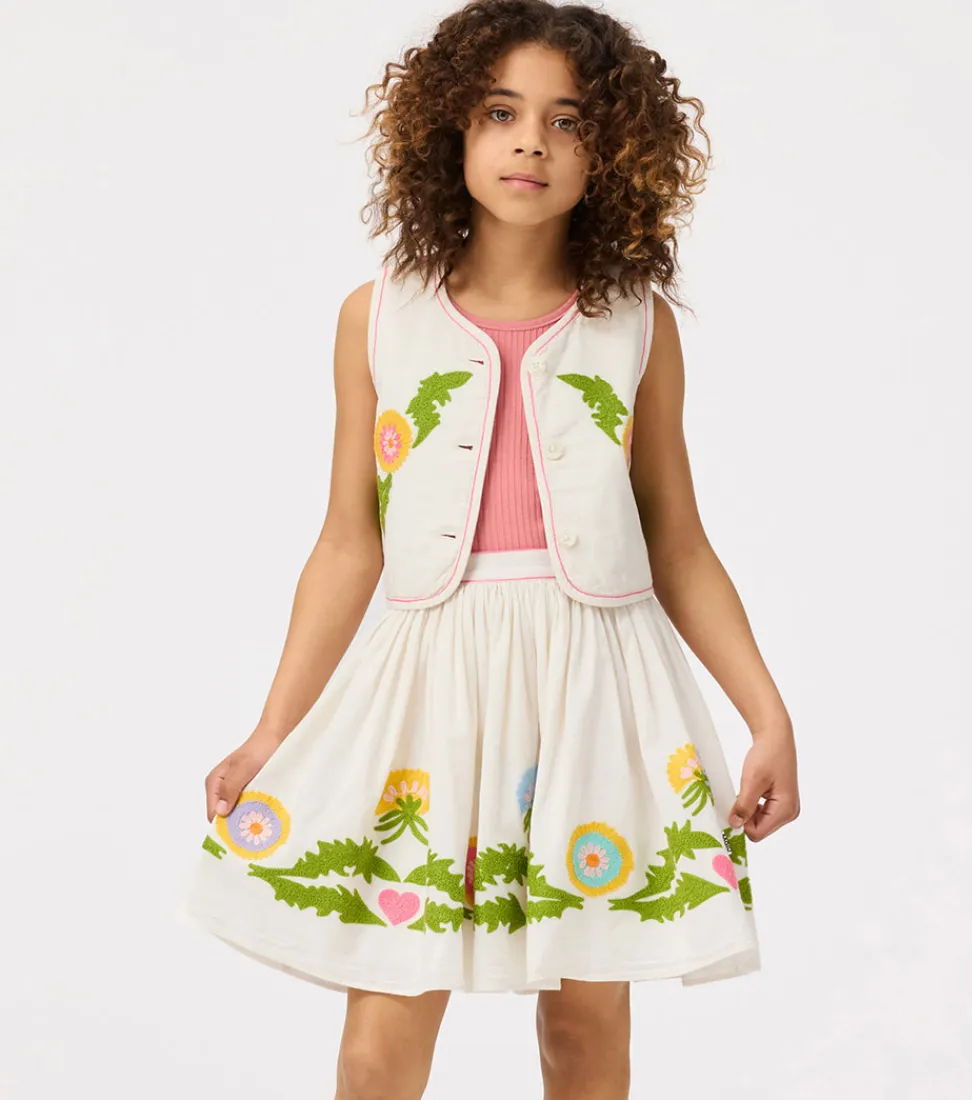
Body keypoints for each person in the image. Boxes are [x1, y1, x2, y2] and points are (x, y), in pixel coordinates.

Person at [179, 1, 800, 1097]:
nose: (531, 143)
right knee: (381, 1032)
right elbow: (347, 543)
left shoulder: (636, 323)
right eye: (502, 113)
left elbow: (679, 540)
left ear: (611, 149)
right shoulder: (376, 317)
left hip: (593, 687)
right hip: (428, 692)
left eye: (568, 120)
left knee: (584, 1026)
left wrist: (766, 713)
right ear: (450, 132)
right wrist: (273, 727)